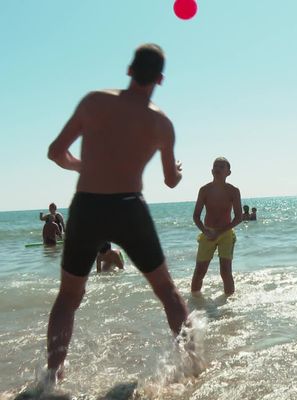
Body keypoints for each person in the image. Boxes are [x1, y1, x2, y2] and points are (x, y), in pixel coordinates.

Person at [44, 43, 189, 383]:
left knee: (68, 297)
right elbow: (170, 181)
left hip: (88, 206)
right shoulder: (161, 123)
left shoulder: (94, 101)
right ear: (160, 79)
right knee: (167, 292)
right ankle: (192, 364)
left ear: (128, 70)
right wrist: (178, 170)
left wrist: (86, 165)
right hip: (128, 208)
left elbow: (55, 152)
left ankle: (52, 377)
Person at [191, 157, 243, 296]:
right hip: (207, 233)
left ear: (228, 172)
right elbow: (196, 216)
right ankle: (194, 302)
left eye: (221, 167)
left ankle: (229, 306)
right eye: (215, 166)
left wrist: (220, 232)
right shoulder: (204, 190)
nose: (218, 169)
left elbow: (238, 218)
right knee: (199, 271)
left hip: (225, 234)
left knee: (225, 271)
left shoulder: (233, 191)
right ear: (211, 170)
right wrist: (205, 231)